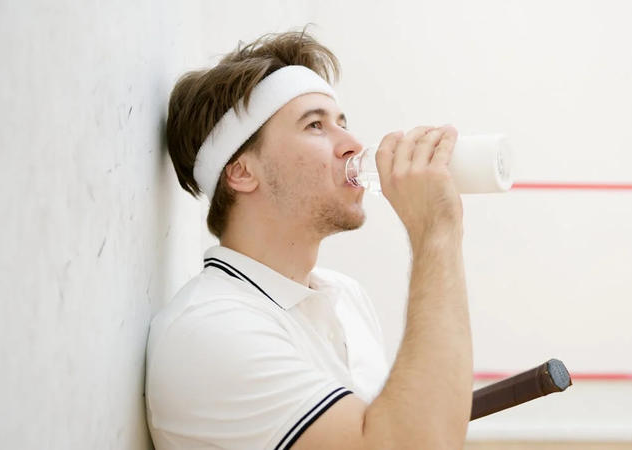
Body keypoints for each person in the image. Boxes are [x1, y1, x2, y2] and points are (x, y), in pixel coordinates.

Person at [146, 29, 472, 450]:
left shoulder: (346, 296)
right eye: (315, 125)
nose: (352, 144)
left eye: (343, 123)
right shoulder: (210, 330)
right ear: (242, 172)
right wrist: (436, 233)